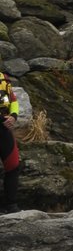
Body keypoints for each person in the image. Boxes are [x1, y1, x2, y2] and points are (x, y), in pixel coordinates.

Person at [0, 72, 21, 214]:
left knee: (13, 165)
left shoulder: (3, 79)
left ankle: (11, 205)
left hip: (4, 128)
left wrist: (13, 116)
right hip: (2, 123)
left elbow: (13, 101)